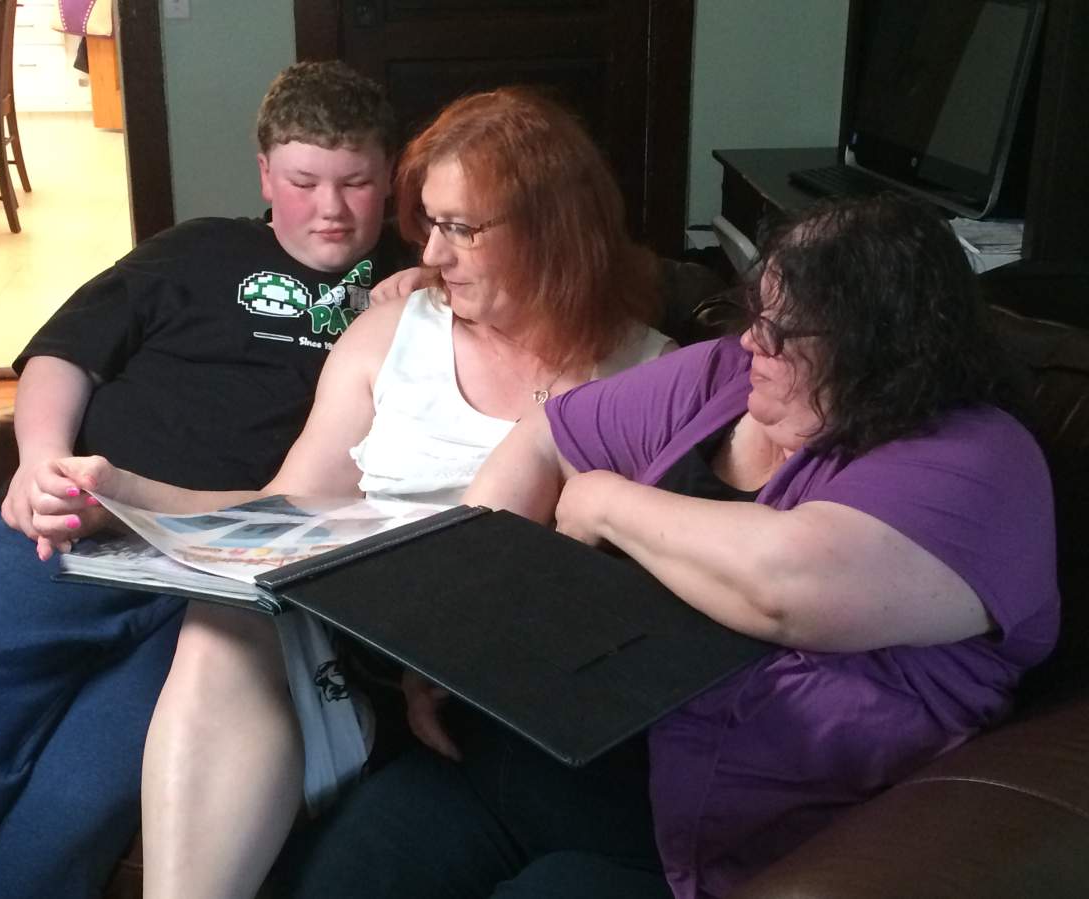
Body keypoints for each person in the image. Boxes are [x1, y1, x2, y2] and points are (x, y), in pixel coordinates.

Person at [277, 193, 1061, 899]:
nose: (752, 339)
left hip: (720, 835)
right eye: (755, 311)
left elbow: (785, 586)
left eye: (783, 330)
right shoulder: (726, 377)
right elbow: (547, 435)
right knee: (351, 863)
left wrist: (607, 501)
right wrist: (454, 635)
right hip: (555, 751)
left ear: (881, 349)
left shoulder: (977, 460)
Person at [37, 87, 674, 899]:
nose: (434, 254)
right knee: (227, 618)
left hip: (506, 672)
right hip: (352, 642)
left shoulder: (653, 374)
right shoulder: (390, 334)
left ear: (551, 228)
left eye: (461, 228)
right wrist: (129, 494)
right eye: (430, 224)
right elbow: (286, 514)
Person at [0, 60, 409, 899]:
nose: (332, 209)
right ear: (264, 174)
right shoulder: (196, 248)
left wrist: (427, 291)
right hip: (68, 527)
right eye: (304, 181)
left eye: (356, 183)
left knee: (78, 798)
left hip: (217, 585)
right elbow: (64, 353)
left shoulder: (415, 287)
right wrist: (39, 459)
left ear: (390, 178)